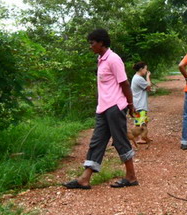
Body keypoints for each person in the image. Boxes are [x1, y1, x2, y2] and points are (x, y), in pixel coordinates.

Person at [63, 29, 139, 189]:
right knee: (97, 142)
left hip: (115, 107)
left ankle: (131, 176)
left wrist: (130, 105)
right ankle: (84, 179)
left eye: (92, 43)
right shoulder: (101, 59)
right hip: (103, 108)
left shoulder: (113, 59)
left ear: (101, 43)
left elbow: (124, 84)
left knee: (120, 141)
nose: (90, 46)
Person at [131, 61, 152, 138]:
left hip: (137, 104)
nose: (146, 71)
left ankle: (139, 137)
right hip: (140, 104)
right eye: (145, 69)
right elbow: (148, 86)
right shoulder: (139, 78)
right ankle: (141, 138)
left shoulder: (136, 78)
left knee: (139, 121)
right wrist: (148, 77)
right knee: (142, 123)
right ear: (141, 69)